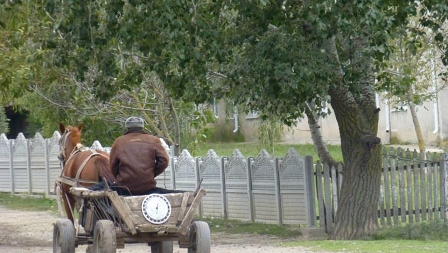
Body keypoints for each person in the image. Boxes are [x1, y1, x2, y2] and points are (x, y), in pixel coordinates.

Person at [109, 116, 170, 195]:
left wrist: (120, 177)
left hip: (124, 187)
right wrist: (150, 174)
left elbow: (113, 166)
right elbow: (164, 161)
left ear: (127, 128)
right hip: (148, 187)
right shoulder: (153, 140)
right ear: (142, 127)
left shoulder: (119, 141)